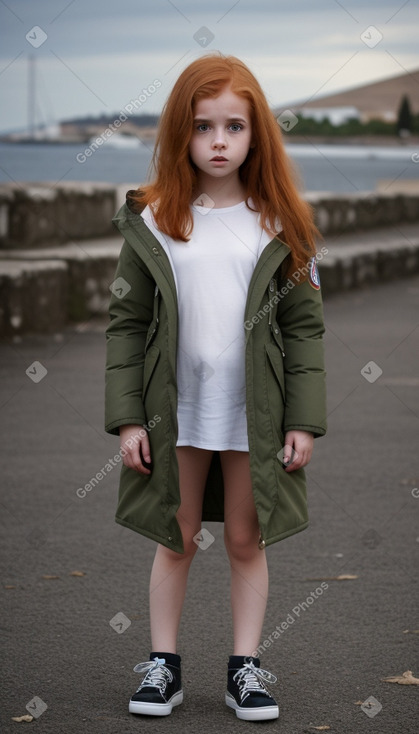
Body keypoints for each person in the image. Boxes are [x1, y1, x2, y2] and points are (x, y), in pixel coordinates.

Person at [105, 52, 327, 722]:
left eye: (234, 126)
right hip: (174, 412)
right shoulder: (153, 222)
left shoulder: (280, 221)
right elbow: (126, 321)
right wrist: (127, 419)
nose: (220, 141)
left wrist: (302, 420)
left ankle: (245, 669)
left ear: (257, 133)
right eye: (204, 127)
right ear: (182, 133)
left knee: (242, 537)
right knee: (172, 535)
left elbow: (305, 331)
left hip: (252, 413)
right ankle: (162, 667)